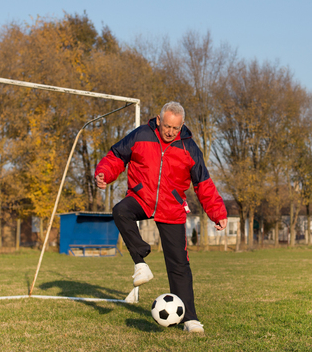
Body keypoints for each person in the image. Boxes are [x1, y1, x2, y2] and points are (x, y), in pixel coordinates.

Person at [94, 101, 227, 333]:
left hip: (171, 206)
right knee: (120, 210)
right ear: (158, 120)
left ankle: (190, 319)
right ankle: (141, 262)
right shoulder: (141, 135)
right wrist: (104, 173)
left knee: (179, 264)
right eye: (166, 126)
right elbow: (116, 156)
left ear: (182, 125)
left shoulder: (190, 147)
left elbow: (203, 183)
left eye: (175, 128)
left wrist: (217, 213)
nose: (170, 132)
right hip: (142, 197)